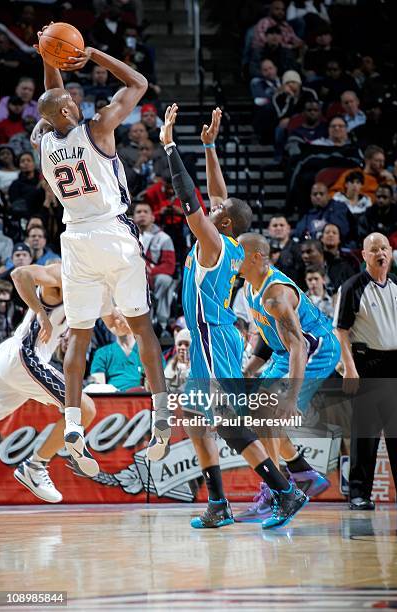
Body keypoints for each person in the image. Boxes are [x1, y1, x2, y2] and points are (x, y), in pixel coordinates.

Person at [161, 103, 309, 530]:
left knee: (227, 420)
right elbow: (217, 196)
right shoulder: (225, 238)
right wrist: (208, 146)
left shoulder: (213, 244)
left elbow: (189, 199)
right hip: (212, 334)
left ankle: (284, 489)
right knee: (193, 416)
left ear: (221, 222)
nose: (211, 208)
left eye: (215, 212)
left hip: (213, 336)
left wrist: (171, 146)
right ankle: (219, 502)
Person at [34, 25, 171, 470]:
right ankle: (163, 415)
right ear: (71, 110)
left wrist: (46, 54)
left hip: (74, 240)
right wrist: (91, 53)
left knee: (79, 332)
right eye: (72, 101)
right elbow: (138, 84)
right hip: (113, 233)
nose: (75, 99)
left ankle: (72, 421)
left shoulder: (44, 142)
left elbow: (51, 101)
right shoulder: (98, 128)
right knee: (142, 325)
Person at [235, 232, 340, 522]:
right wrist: (248, 371)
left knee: (269, 413)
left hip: (316, 348)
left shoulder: (275, 295)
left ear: (256, 256)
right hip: (286, 352)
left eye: (238, 253)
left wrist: (291, 396)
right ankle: (301, 475)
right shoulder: (247, 286)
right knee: (255, 410)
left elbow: (299, 345)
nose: (232, 258)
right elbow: (269, 338)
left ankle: (280, 491)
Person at [0, 263, 99, 501]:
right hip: (26, 356)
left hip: (12, 358)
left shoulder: (92, 287)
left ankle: (35, 467)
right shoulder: (63, 273)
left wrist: (115, 319)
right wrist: (40, 313)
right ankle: (35, 467)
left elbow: (107, 315)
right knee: (85, 409)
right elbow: (19, 274)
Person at [334, 233, 397, 510]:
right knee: (365, 434)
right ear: (364, 255)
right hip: (367, 364)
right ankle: (358, 494)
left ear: (390, 252)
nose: (381, 253)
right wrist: (350, 368)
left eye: (385, 248)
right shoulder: (352, 287)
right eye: (374, 249)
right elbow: (340, 331)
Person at [133, 201, 176, 335]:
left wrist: (150, 272)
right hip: (133, 276)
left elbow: (169, 266)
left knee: (165, 279)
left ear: (153, 217)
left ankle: (160, 323)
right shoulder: (126, 237)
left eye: (146, 212)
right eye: (138, 212)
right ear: (133, 218)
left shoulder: (164, 238)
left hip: (154, 278)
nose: (142, 214)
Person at [90, 316, 144, 391]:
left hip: (141, 399)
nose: (120, 320)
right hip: (112, 399)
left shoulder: (148, 351)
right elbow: (98, 388)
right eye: (116, 317)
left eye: (124, 316)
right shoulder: (102, 353)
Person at [294, 182, 357, 246]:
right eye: (315, 194)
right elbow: (298, 233)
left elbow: (342, 231)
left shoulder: (339, 207)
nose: (318, 196)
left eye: (321, 194)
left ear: (328, 196)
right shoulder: (308, 214)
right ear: (311, 197)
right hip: (313, 248)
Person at [330, 145, 395, 201]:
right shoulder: (352, 173)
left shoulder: (385, 178)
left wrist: (391, 179)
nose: (381, 164)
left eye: (383, 161)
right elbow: (333, 193)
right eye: (377, 161)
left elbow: (391, 198)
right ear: (367, 160)